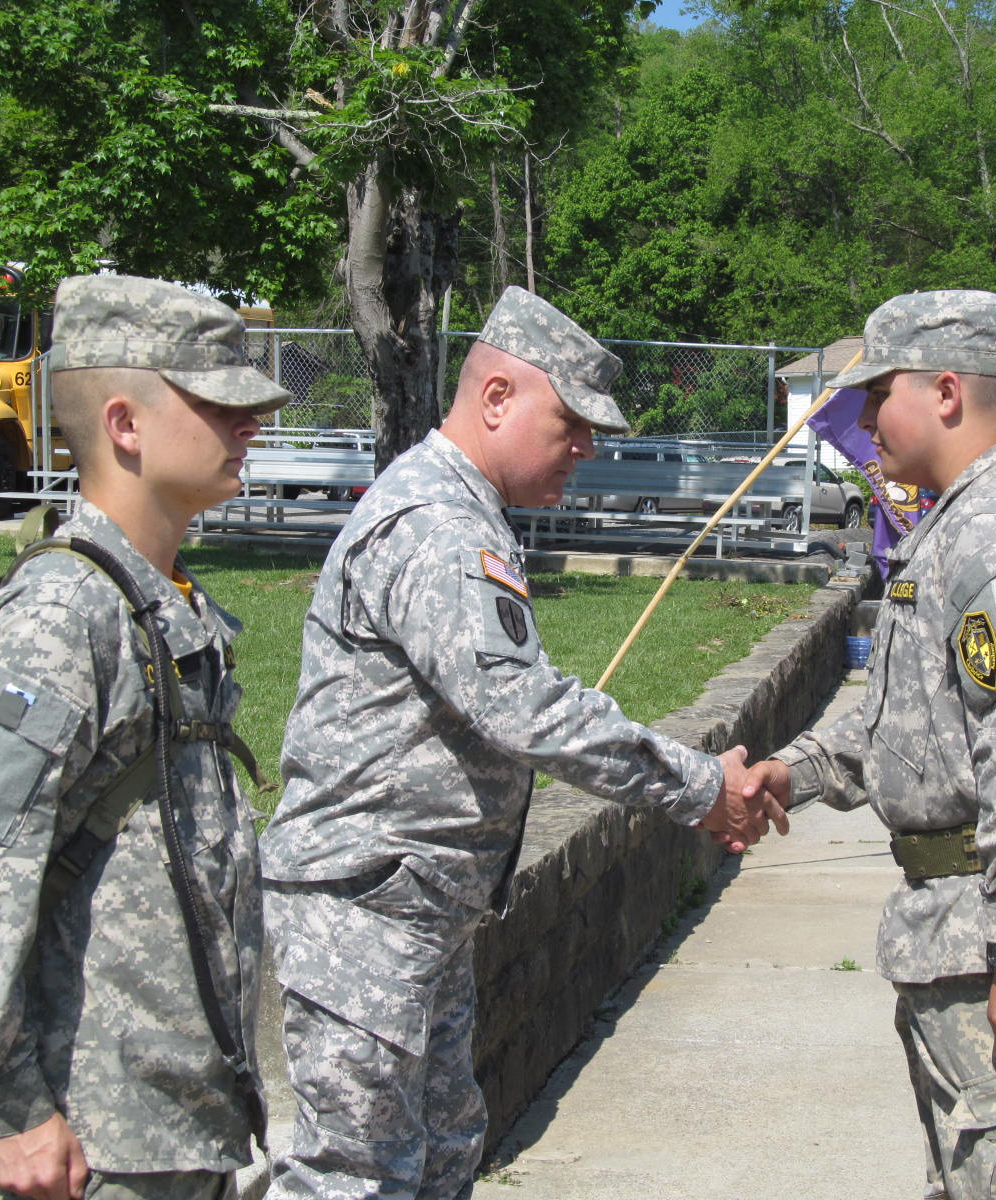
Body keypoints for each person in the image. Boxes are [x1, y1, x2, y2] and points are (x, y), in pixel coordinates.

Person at [259, 284, 782, 1200]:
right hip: (365, 915)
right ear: (496, 397)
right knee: (356, 1178)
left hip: (415, 912)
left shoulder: (462, 514)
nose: (588, 446)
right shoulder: (436, 527)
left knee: (440, 1154)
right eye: (572, 421)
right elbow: (523, 707)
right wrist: (702, 786)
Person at [742, 290, 996, 1200]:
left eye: (875, 394)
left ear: (942, 392)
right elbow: (919, 723)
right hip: (966, 931)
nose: (861, 421)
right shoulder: (960, 521)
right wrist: (795, 771)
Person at [0, 275, 291, 1200]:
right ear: (125, 424)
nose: (250, 426)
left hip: (169, 1125)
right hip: (89, 1146)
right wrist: (12, 1107)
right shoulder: (62, 618)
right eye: (219, 403)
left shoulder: (157, 606)